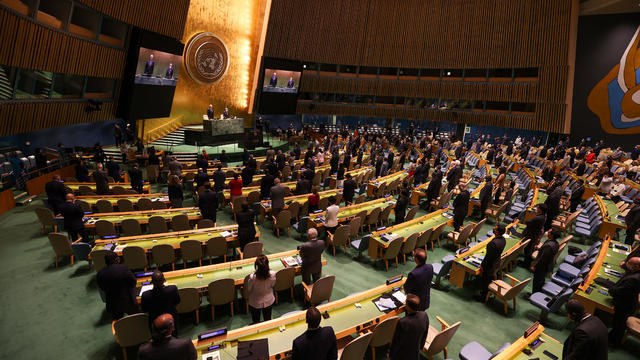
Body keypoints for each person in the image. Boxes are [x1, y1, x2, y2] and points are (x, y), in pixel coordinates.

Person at [97, 251, 137, 320]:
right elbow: (133, 282)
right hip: (128, 301)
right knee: (135, 318)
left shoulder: (100, 273)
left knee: (118, 322)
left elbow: (102, 288)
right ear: (116, 259)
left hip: (112, 303)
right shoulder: (124, 268)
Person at [608, 257, 640, 345]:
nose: (627, 264)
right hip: (628, 303)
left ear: (637, 266)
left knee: (619, 324)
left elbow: (622, 291)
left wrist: (611, 290)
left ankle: (613, 342)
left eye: (629, 263)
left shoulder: (634, 279)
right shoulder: (635, 273)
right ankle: (612, 338)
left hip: (624, 305)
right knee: (618, 323)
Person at [389, 294, 429, 360]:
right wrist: (420, 347)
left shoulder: (402, 322)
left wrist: (391, 355)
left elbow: (396, 341)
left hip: (402, 354)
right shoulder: (424, 315)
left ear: (408, 307)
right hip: (415, 351)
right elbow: (425, 333)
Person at [478, 224, 506, 301]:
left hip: (489, 265)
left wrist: (482, 265)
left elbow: (488, 257)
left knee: (485, 280)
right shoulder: (503, 240)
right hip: (496, 263)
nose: (493, 229)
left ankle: (483, 297)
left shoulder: (493, 243)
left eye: (495, 229)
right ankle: (485, 293)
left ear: (497, 232)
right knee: (488, 279)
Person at [247, 255, 276, 324]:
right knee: (268, 320)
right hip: (269, 300)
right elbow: (273, 285)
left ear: (257, 266)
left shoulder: (252, 277)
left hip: (255, 302)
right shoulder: (273, 274)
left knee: (256, 322)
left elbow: (249, 289)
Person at [530, 230, 560, 294]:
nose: (547, 233)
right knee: (541, 280)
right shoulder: (556, 243)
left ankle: (534, 295)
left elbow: (542, 259)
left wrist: (535, 266)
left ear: (552, 235)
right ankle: (537, 293)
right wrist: (539, 249)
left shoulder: (548, 246)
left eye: (549, 232)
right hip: (547, 265)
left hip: (542, 267)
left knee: (537, 281)